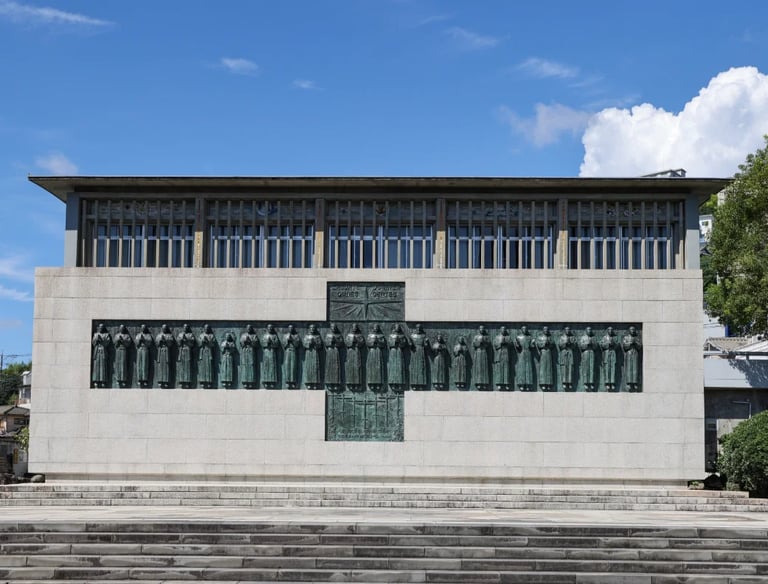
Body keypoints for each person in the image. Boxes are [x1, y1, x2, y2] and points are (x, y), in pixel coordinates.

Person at [388, 324, 408, 391]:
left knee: (399, 367)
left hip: (399, 351)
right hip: (393, 351)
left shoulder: (402, 336)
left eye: (398, 328)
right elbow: (389, 343)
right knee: (393, 367)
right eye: (396, 328)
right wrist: (394, 342)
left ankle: (400, 383)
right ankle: (393, 383)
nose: (397, 329)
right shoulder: (391, 336)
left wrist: (399, 342)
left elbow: (404, 344)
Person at [345, 323, 365, 389]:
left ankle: (357, 383)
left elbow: (362, 343)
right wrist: (351, 342)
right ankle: (350, 383)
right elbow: (346, 343)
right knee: (350, 367)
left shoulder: (359, 336)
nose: (354, 328)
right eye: (353, 327)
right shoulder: (349, 335)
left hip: (356, 352)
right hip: (350, 352)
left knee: (357, 367)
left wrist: (357, 342)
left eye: (356, 327)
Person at [366, 324, 386, 390]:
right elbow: (368, 343)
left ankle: (378, 383)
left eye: (377, 328)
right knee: (371, 368)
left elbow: (383, 344)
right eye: (375, 328)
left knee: (378, 367)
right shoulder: (370, 336)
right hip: (372, 352)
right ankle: (371, 383)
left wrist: (378, 342)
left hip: (378, 351)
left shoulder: (381, 336)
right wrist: (372, 342)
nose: (376, 329)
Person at [622, 326, 642, 391]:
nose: (632, 330)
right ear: (629, 330)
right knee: (629, 368)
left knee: (635, 368)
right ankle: (629, 383)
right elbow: (624, 346)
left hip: (635, 353)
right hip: (629, 353)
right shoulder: (626, 337)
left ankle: (635, 382)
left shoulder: (637, 338)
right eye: (631, 329)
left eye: (633, 329)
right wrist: (630, 343)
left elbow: (639, 346)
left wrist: (635, 343)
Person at [514, 325, 534, 391]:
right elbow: (518, 348)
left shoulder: (529, 337)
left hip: (528, 353)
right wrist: (517, 344)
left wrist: (532, 344)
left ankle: (528, 384)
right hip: (522, 353)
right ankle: (521, 384)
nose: (525, 330)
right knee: (521, 369)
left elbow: (532, 347)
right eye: (523, 329)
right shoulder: (518, 337)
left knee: (528, 369)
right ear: (521, 330)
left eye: (526, 329)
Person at [91, 323, 111, 388]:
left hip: (103, 351)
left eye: (102, 327)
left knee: (103, 366)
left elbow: (108, 342)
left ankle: (103, 381)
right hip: (97, 352)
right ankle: (96, 381)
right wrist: (96, 340)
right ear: (98, 328)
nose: (101, 328)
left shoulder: (106, 335)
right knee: (96, 366)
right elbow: (93, 343)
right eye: (100, 327)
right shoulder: (95, 334)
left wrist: (102, 340)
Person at [303, 324, 323, 389]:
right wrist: (309, 343)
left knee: (315, 367)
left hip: (315, 352)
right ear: (309, 329)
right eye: (311, 328)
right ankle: (308, 383)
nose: (312, 329)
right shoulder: (306, 336)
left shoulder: (317, 336)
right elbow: (304, 344)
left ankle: (315, 383)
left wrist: (315, 343)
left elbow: (320, 345)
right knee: (308, 367)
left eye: (313, 328)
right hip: (309, 352)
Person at [558, 326, 576, 391]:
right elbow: (559, 345)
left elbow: (575, 345)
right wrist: (565, 344)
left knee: (570, 367)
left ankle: (570, 382)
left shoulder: (572, 337)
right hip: (564, 353)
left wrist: (571, 344)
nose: (568, 331)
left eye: (569, 330)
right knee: (564, 367)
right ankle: (564, 382)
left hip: (570, 353)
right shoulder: (562, 337)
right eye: (566, 330)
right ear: (565, 330)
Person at [325, 323, 343, 390]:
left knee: (336, 367)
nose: (333, 328)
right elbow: (326, 343)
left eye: (334, 327)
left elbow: (341, 343)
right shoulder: (328, 335)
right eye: (332, 327)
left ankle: (336, 383)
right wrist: (330, 342)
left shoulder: (338, 335)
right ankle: (329, 383)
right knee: (329, 367)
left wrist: (335, 341)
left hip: (336, 351)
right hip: (330, 352)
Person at [493, 326, 512, 390]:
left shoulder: (508, 337)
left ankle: (506, 383)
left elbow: (511, 345)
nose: (503, 330)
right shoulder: (497, 337)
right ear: (500, 330)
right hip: (499, 354)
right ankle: (499, 383)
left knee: (506, 369)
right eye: (502, 329)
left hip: (506, 354)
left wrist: (506, 343)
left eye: (504, 329)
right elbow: (495, 345)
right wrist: (500, 344)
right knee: (499, 369)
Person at [535, 326, 554, 391]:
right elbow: (537, 344)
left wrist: (549, 343)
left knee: (549, 368)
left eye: (547, 329)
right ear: (543, 330)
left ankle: (549, 384)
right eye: (545, 329)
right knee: (543, 368)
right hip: (543, 352)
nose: (546, 330)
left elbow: (553, 344)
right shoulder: (540, 337)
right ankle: (542, 383)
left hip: (548, 352)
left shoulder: (550, 337)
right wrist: (543, 344)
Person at [283, 324, 301, 389]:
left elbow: (297, 344)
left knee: (293, 366)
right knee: (287, 366)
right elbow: (284, 345)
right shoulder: (285, 336)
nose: (291, 329)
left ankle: (293, 382)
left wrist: (293, 340)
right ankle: (287, 382)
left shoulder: (296, 336)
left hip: (293, 351)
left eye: (292, 328)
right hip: (287, 351)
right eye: (289, 328)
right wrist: (287, 340)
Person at [600, 326, 618, 391]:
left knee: (613, 368)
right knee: (607, 368)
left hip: (613, 353)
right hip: (606, 353)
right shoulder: (604, 338)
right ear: (607, 331)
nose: (610, 331)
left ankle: (612, 382)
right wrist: (608, 344)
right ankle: (607, 383)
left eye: (611, 330)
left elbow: (617, 345)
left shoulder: (614, 337)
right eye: (609, 330)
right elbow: (601, 345)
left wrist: (613, 344)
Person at [579, 326, 597, 391]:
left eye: (590, 330)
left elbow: (596, 346)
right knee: (586, 368)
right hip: (585, 353)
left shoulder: (593, 338)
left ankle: (591, 382)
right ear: (586, 331)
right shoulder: (583, 338)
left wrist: (592, 344)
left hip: (591, 352)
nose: (589, 331)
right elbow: (581, 346)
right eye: (588, 330)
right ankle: (586, 383)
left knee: (591, 368)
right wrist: (586, 344)